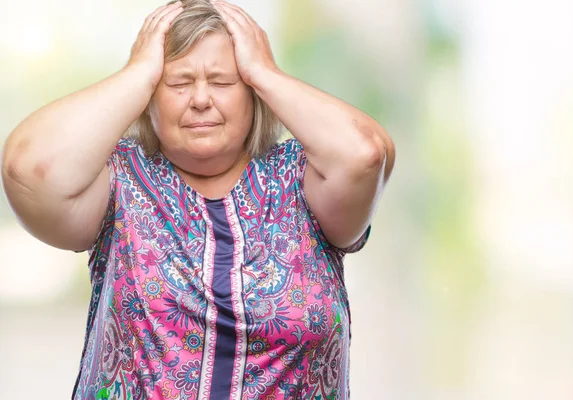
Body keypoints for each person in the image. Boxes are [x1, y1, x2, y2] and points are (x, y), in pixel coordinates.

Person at [1, 0, 395, 398]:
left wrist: (265, 72)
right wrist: (138, 73)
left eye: (223, 82)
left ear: (255, 95)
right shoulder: (118, 177)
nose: (201, 99)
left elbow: (365, 154)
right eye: (178, 83)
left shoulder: (303, 175)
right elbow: (28, 168)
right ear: (148, 97)